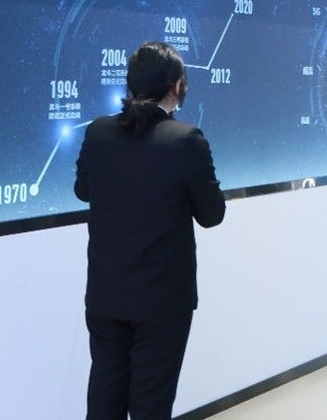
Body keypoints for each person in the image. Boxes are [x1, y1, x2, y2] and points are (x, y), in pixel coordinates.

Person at [75, 41, 227, 420]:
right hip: (162, 303)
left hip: (107, 295)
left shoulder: (98, 132)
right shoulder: (186, 140)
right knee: (151, 406)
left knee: (103, 401)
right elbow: (212, 214)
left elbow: (83, 190)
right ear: (177, 86)